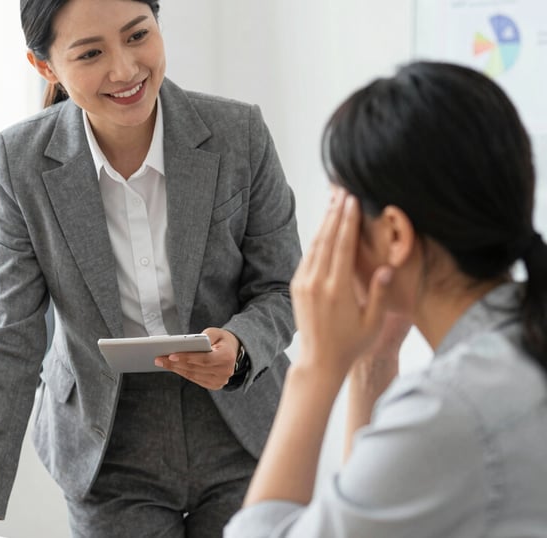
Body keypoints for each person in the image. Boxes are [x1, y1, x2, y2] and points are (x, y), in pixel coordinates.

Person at [0, 0, 301, 537]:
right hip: (107, 443)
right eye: (91, 52)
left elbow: (284, 288)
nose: (124, 69)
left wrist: (241, 344)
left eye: (138, 35)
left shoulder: (238, 132)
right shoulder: (21, 161)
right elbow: (11, 337)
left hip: (241, 426)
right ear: (46, 67)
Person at [225, 61, 547, 537]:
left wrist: (316, 367)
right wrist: (374, 360)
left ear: (394, 233)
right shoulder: (515, 347)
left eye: (341, 210)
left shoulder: (450, 408)